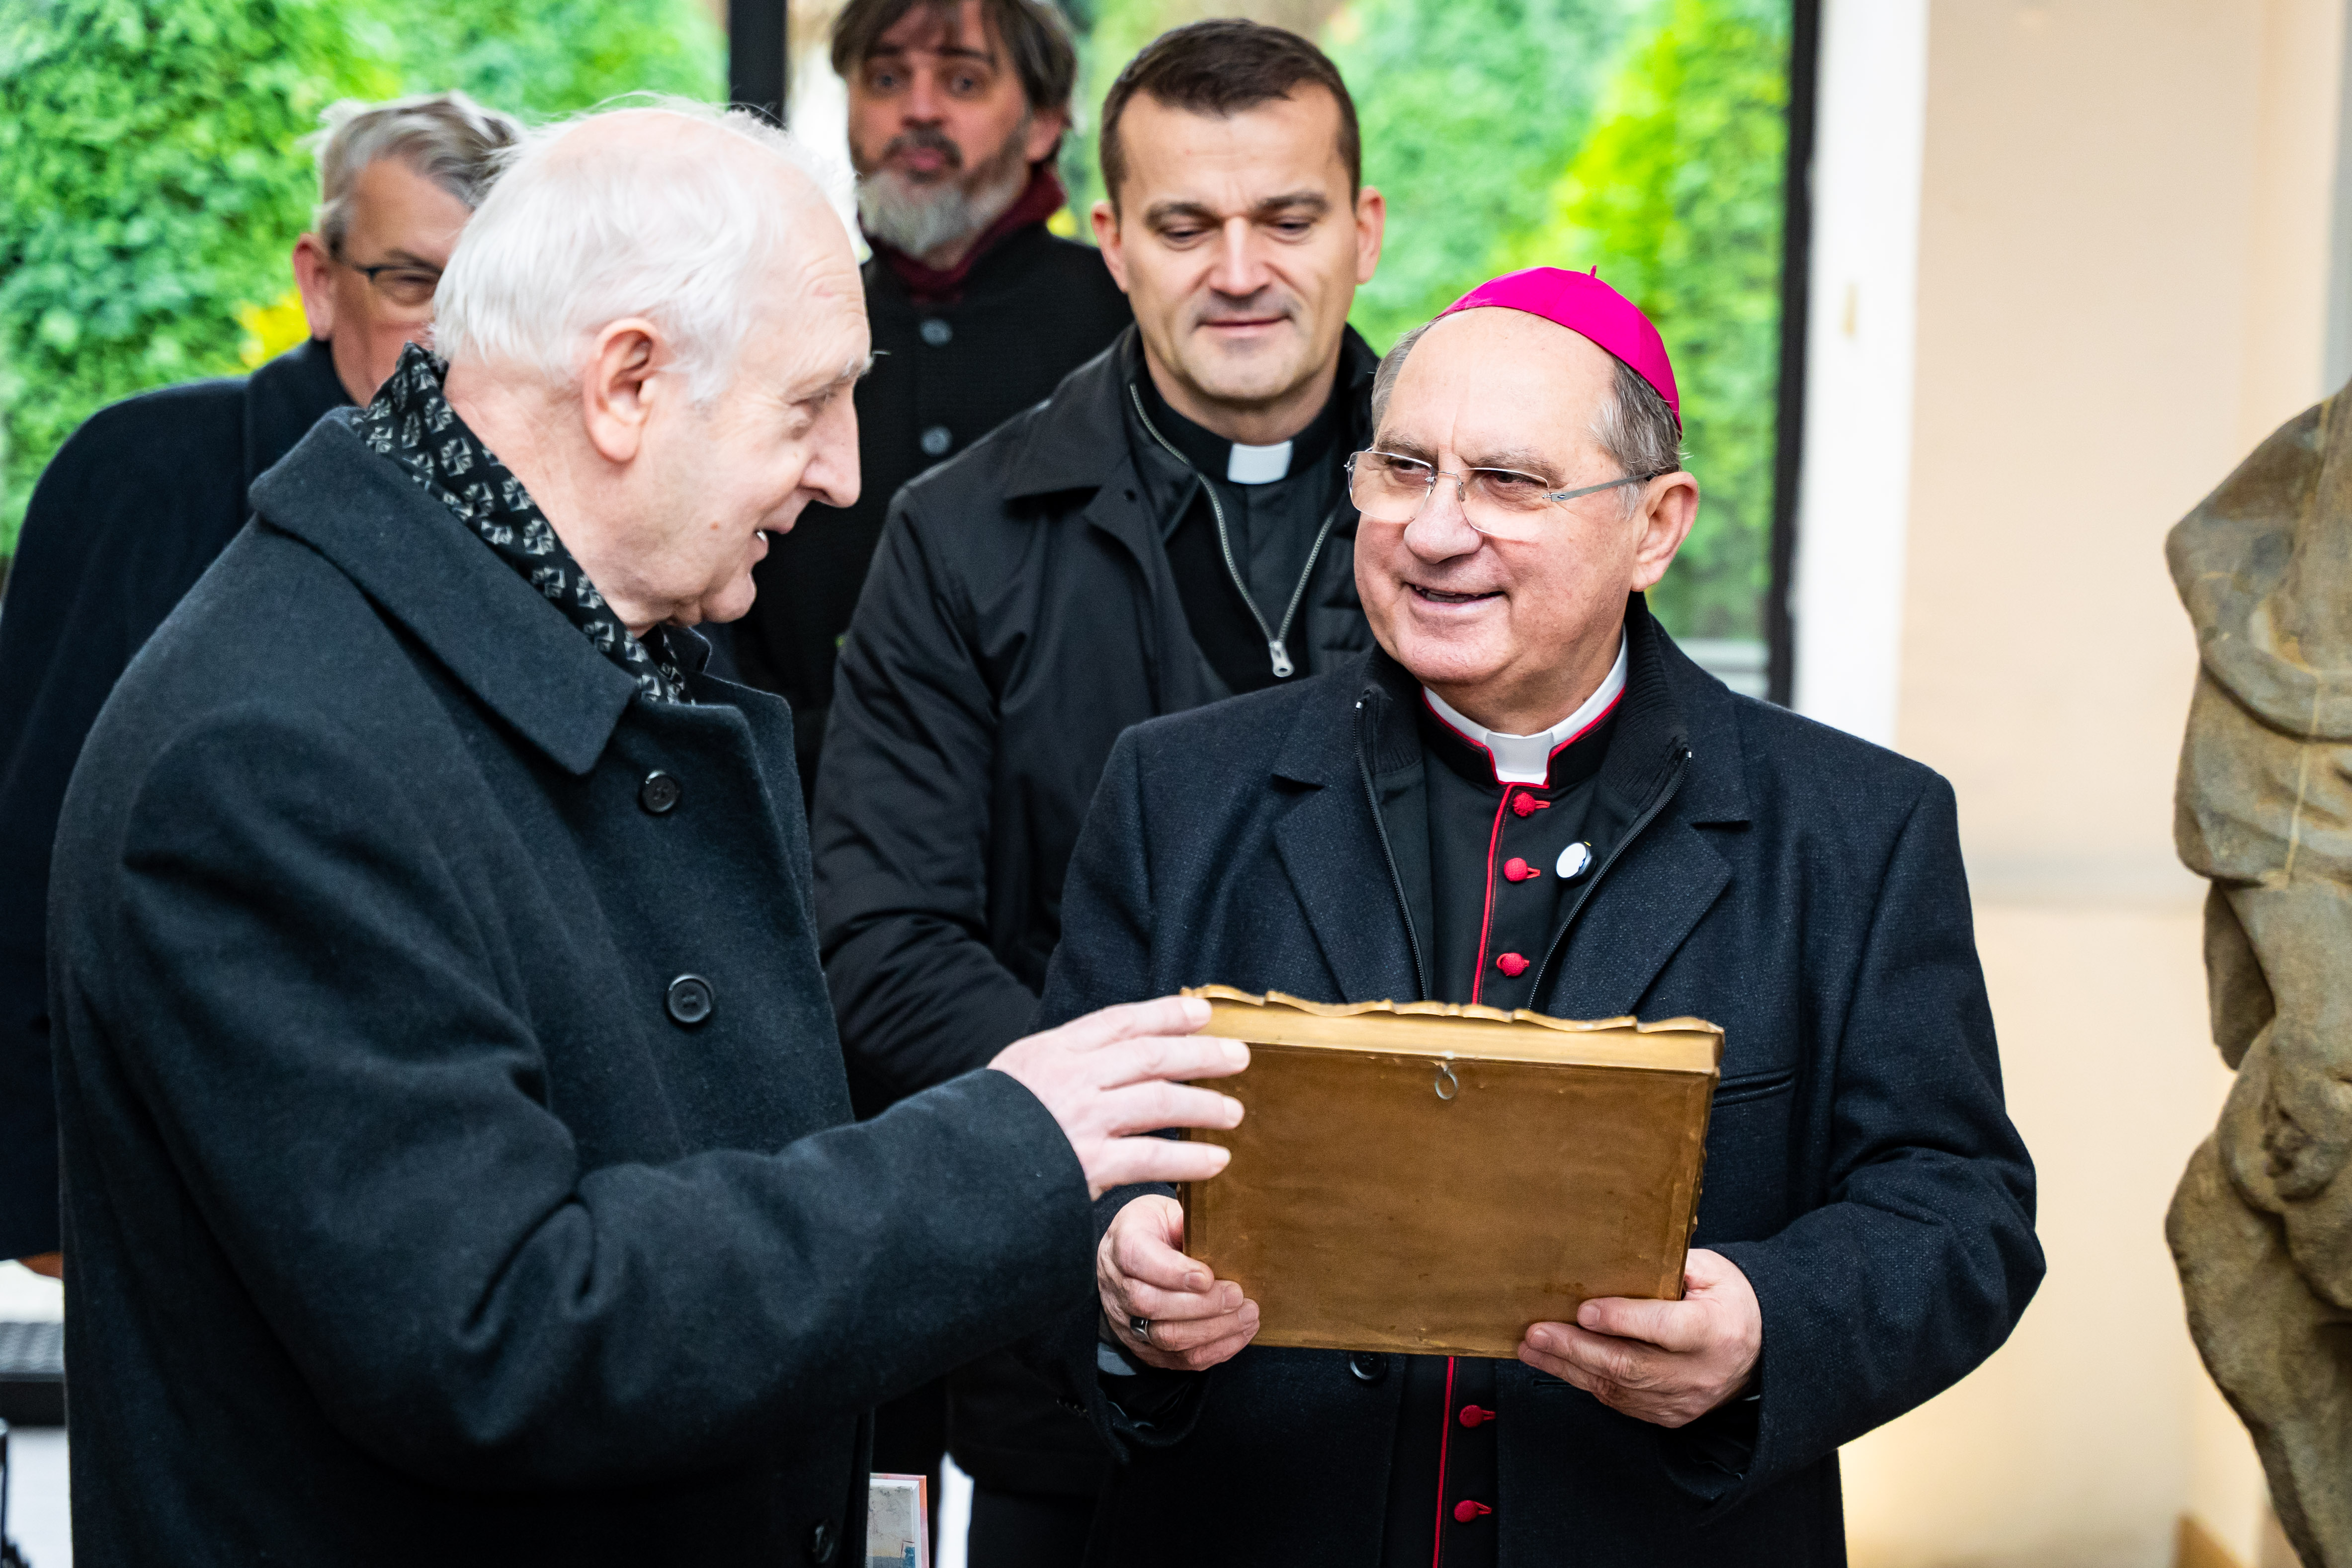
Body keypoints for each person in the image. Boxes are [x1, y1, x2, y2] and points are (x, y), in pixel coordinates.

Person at [43, 102, 1250, 1567]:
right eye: (808, 404)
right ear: (625, 383)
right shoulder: (270, 751)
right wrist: (1011, 1147)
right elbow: (498, 1329)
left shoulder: (585, 634)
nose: (844, 475)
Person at [1040, 268, 2046, 1565]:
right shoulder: (1177, 794)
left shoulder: (1853, 828)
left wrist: (1758, 1324)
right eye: (1401, 469)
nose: (1435, 529)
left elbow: (1958, 1210)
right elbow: (1051, 1168)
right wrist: (1117, 1275)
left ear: (1655, 525)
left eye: (1508, 483)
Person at [811, 21, 1384, 1561]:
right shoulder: (960, 532)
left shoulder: (1481, 514)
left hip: (1420, 1341)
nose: (1241, 271)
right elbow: (883, 932)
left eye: (1288, 218)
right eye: (1187, 227)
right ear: (1112, 239)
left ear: (1365, 229)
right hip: (1076, 1324)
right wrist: (1147, 1156)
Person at [0, 90, 522, 1279]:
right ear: (319, 278)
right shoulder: (142, 473)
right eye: (408, 282)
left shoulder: (560, 522)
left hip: (461, 1204)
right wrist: (42, 1206)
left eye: (489, 295)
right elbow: (28, 841)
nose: (448, 335)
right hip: (168, 1184)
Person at [732, 0, 1130, 796]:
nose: (918, 110)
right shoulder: (763, 323)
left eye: (963, 80)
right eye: (885, 78)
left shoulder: (1131, 328)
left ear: (1047, 123)